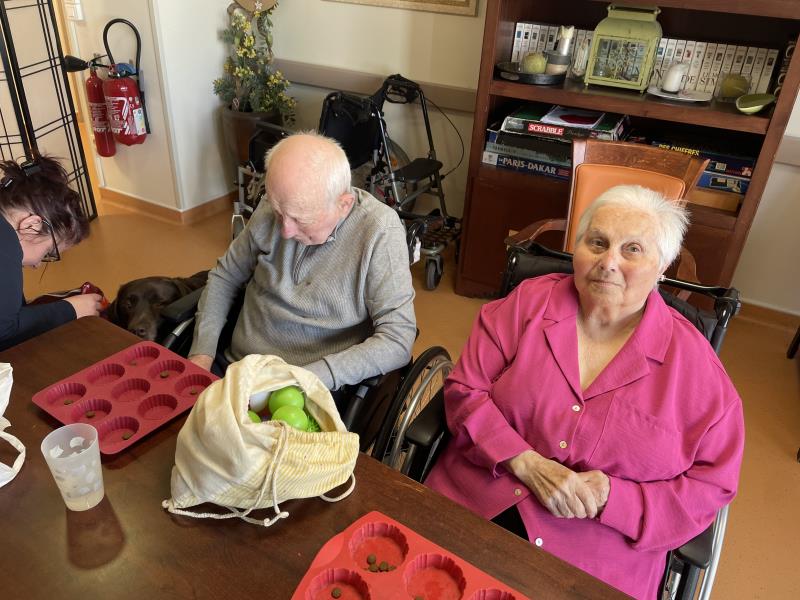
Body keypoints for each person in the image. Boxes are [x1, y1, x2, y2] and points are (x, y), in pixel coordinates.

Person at [425, 185, 745, 599]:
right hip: (475, 504)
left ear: (662, 266)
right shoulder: (527, 305)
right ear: (576, 249)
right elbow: (465, 389)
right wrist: (525, 461)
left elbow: (712, 486)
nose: (608, 262)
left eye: (632, 250)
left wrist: (616, 497)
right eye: (597, 243)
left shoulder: (698, 374)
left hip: (596, 555)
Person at [188, 132, 416, 392]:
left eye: (300, 219)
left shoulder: (379, 231)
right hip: (237, 369)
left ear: (344, 204)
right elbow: (225, 277)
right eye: (279, 213)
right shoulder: (279, 201)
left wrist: (303, 379)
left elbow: (398, 339)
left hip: (309, 388)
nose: (285, 231)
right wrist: (202, 354)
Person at [0, 155, 101, 352]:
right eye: (48, 252)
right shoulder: (5, 245)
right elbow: (4, 330)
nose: (37, 264)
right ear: (31, 226)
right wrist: (70, 309)